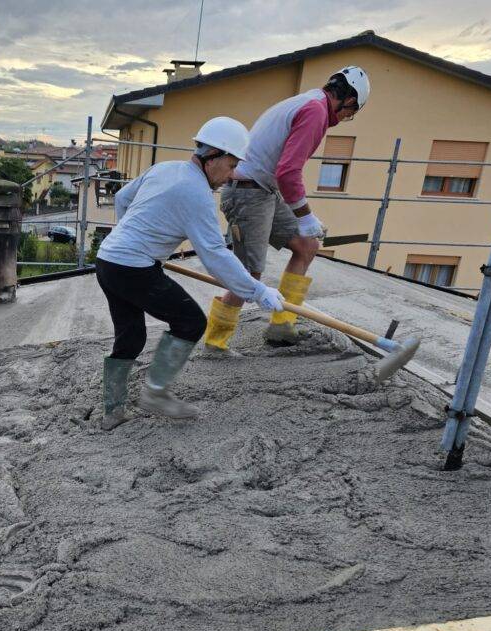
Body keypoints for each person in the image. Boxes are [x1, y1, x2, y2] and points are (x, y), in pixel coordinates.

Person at [96, 116, 285, 430]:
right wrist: (257, 291)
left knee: (131, 336)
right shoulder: (195, 193)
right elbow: (215, 256)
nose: (233, 174)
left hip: (109, 261)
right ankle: (155, 393)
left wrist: (136, 238)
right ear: (215, 158)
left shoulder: (166, 168)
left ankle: (112, 411)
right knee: (190, 321)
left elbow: (122, 199)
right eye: (232, 164)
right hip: (132, 267)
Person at [202, 66, 370, 353]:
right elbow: (288, 171)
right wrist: (304, 215)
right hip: (248, 194)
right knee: (248, 275)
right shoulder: (315, 111)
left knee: (307, 246)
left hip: (263, 190)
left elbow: (283, 173)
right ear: (350, 100)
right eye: (350, 113)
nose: (345, 119)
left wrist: (305, 220)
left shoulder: (309, 103)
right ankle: (215, 343)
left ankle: (282, 325)